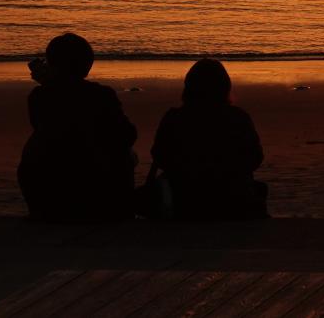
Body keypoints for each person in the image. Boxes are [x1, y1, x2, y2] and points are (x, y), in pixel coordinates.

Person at [17, 32, 137, 222]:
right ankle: (118, 209)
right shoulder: (101, 95)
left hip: (46, 189)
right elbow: (127, 135)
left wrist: (50, 84)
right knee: (127, 153)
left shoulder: (39, 96)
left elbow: (51, 125)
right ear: (87, 65)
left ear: (51, 64)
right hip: (94, 187)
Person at [149, 59, 268, 220]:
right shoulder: (238, 117)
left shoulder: (174, 118)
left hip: (185, 201)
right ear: (225, 86)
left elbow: (159, 156)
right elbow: (255, 157)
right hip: (232, 201)